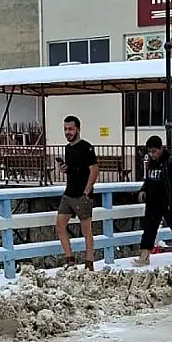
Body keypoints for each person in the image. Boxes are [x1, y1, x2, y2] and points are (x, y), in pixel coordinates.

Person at [133, 135, 172, 267]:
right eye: (149, 151)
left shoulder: (170, 161)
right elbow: (148, 180)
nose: (151, 154)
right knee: (149, 228)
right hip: (152, 201)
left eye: (154, 151)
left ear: (160, 149)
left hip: (167, 201)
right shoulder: (151, 163)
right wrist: (143, 190)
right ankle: (144, 255)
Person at [56, 115, 99, 270]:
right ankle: (69, 259)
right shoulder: (68, 148)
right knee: (60, 226)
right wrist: (64, 169)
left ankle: (89, 263)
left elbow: (94, 170)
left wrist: (87, 192)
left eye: (71, 129)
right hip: (69, 193)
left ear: (78, 129)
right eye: (65, 129)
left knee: (86, 230)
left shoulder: (87, 147)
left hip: (82, 195)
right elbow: (73, 169)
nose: (68, 132)